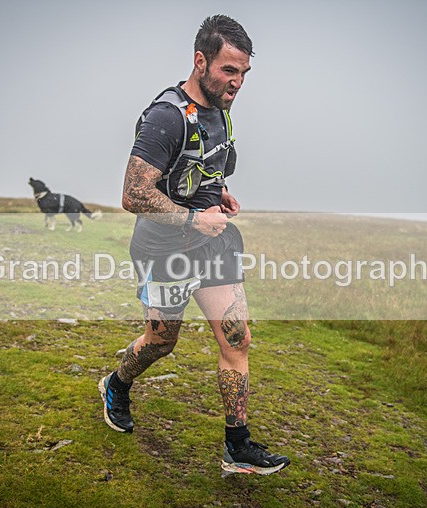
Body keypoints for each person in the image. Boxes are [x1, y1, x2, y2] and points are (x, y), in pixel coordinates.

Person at [99, 15, 290, 475]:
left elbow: (203, 168)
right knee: (161, 342)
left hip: (213, 245)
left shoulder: (221, 110)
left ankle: (237, 446)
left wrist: (217, 193)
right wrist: (191, 217)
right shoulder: (166, 117)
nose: (237, 82)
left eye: (244, 72)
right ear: (200, 61)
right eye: (229, 70)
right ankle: (116, 385)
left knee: (237, 338)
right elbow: (133, 194)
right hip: (163, 250)